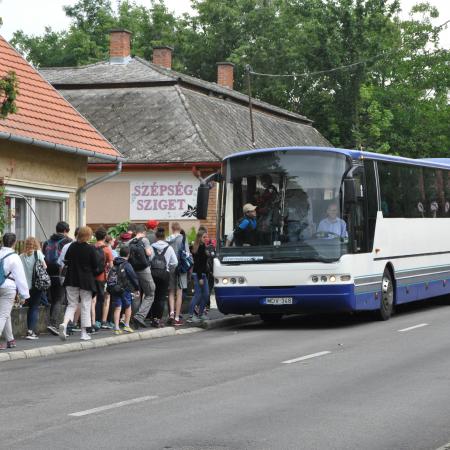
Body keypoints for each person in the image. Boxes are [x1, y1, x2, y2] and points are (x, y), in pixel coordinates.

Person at [58, 226, 98, 341]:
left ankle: (64, 325)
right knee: (85, 305)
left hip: (71, 279)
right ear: (88, 236)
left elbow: (66, 260)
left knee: (72, 304)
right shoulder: (90, 248)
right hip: (86, 281)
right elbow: (96, 266)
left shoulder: (72, 246)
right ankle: (84, 333)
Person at [0, 233, 29, 350]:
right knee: (3, 314)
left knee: (5, 314)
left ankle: (10, 340)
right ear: (14, 243)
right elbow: (20, 277)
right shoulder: (14, 257)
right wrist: (25, 294)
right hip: (8, 287)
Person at [43, 221, 72, 336]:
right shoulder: (68, 241)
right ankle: (55, 324)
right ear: (66, 231)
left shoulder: (47, 241)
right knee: (60, 299)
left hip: (48, 273)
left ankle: (55, 323)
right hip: (62, 273)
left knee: (53, 299)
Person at [20, 237, 47, 340]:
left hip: (25, 286)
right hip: (37, 285)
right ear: (35, 244)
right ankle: (31, 331)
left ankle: (29, 330)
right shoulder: (38, 253)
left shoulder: (21, 256)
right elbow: (45, 267)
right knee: (34, 307)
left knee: (29, 307)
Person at [128, 224, 155, 328]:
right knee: (150, 293)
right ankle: (140, 316)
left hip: (132, 271)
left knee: (136, 294)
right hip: (144, 270)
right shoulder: (145, 240)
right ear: (144, 232)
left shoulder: (129, 242)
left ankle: (134, 320)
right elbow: (149, 254)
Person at [151, 227, 178, 327]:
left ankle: (153, 318)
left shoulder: (151, 246)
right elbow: (175, 262)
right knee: (162, 297)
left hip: (153, 274)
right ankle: (158, 319)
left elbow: (148, 259)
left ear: (156, 236)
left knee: (153, 296)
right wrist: (168, 269)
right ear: (164, 236)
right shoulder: (169, 248)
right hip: (164, 274)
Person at [110, 246, 140, 335]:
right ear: (128, 254)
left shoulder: (115, 263)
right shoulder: (127, 264)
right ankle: (126, 325)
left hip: (115, 288)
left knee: (118, 307)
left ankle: (116, 328)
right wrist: (137, 288)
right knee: (128, 306)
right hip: (125, 289)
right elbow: (133, 277)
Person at [167, 222, 190, 326]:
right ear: (180, 229)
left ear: (172, 229)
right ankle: (177, 317)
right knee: (179, 293)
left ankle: (171, 314)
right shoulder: (183, 239)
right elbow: (187, 254)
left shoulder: (168, 239)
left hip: (171, 267)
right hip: (181, 268)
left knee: (171, 291)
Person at [92, 227, 114, 331]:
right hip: (103, 277)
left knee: (93, 299)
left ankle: (93, 321)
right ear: (105, 237)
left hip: (92, 277)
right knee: (106, 298)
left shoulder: (91, 247)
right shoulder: (107, 249)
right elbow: (111, 265)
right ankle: (104, 321)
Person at [187, 230, 211, 323]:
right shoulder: (200, 247)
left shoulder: (202, 247)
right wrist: (200, 277)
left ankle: (200, 314)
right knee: (198, 295)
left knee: (206, 294)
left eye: (207, 237)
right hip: (199, 274)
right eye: (204, 237)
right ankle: (190, 316)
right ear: (199, 238)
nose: (206, 238)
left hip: (203, 274)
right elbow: (199, 264)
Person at [255, 174, 279, 244]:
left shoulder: (270, 189)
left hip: (270, 210)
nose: (262, 184)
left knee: (263, 226)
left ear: (267, 181)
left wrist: (258, 198)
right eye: (262, 182)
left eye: (263, 182)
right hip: (268, 210)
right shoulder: (269, 189)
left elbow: (265, 198)